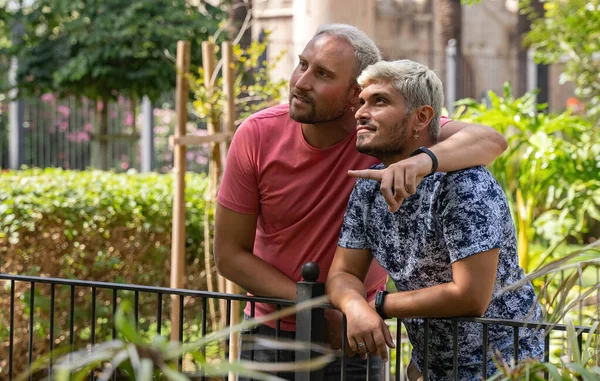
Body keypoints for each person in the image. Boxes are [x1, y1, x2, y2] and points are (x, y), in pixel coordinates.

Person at [214, 23, 508, 381]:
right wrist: (328, 307)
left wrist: (421, 161)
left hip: (356, 337)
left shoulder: (385, 137)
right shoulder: (258, 134)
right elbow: (230, 256)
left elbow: (490, 140)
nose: (301, 82)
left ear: (356, 93)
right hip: (274, 328)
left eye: (322, 74)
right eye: (302, 65)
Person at [326, 59, 543, 381]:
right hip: (433, 367)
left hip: (504, 367)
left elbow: (470, 297)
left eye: (379, 101)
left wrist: (379, 306)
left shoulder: (464, 184)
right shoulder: (368, 188)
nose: (359, 112)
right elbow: (343, 271)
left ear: (422, 117)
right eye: (361, 103)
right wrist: (354, 305)